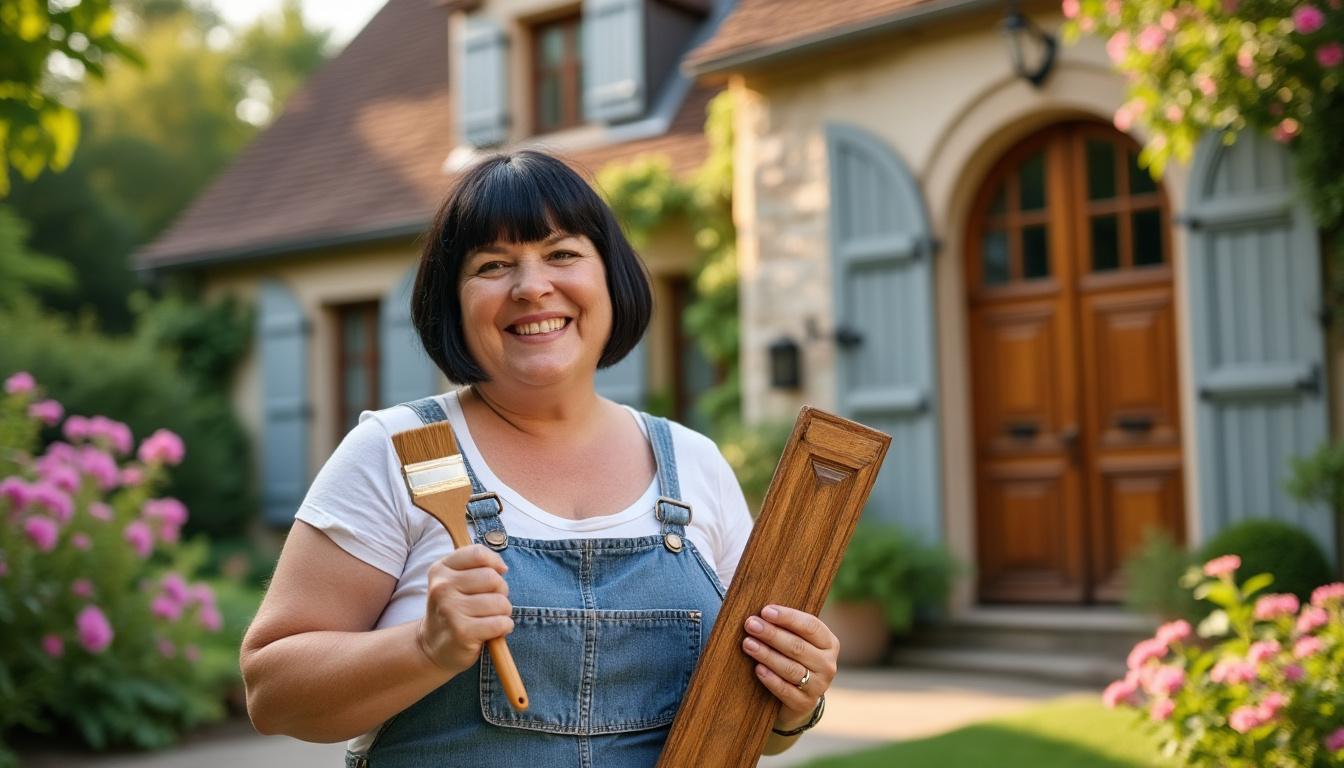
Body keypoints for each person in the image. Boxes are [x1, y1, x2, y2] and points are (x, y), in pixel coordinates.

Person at [240, 150, 840, 766]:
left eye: (562, 254)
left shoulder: (695, 465)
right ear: (454, 300)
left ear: (611, 277)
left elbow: (749, 724)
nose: (532, 287)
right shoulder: (394, 453)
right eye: (494, 265)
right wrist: (425, 647)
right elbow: (271, 692)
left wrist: (795, 703)